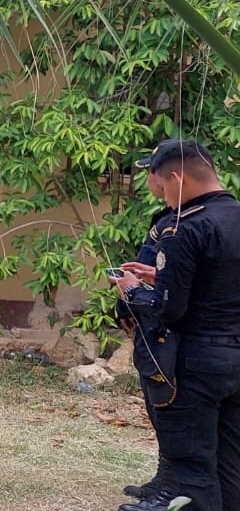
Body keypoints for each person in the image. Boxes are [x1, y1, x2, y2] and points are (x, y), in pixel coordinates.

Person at [111, 139, 240, 511]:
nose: (163, 196)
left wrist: (133, 290)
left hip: (196, 364)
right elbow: (215, 280)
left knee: (192, 472)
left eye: (163, 185)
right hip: (234, 357)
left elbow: (170, 310)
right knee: (229, 467)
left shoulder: (184, 227)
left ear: (178, 178)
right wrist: (160, 275)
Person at [110, 148, 177, 507]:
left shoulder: (185, 222)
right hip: (146, 323)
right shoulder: (162, 216)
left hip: (166, 325)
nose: (148, 180)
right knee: (156, 408)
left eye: (150, 172)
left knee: (169, 408)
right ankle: (163, 478)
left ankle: (171, 489)